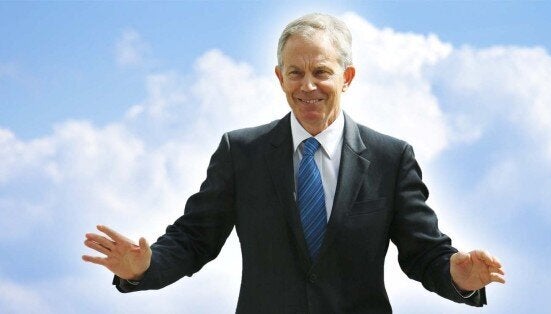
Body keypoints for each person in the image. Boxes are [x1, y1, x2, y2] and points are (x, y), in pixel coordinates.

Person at [83, 13, 505, 313]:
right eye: (294, 73)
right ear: (279, 77)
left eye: (321, 71)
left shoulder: (390, 158)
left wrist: (460, 277)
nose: (307, 87)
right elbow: (194, 239)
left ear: (348, 77)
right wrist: (145, 267)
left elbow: (423, 252)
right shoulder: (240, 152)